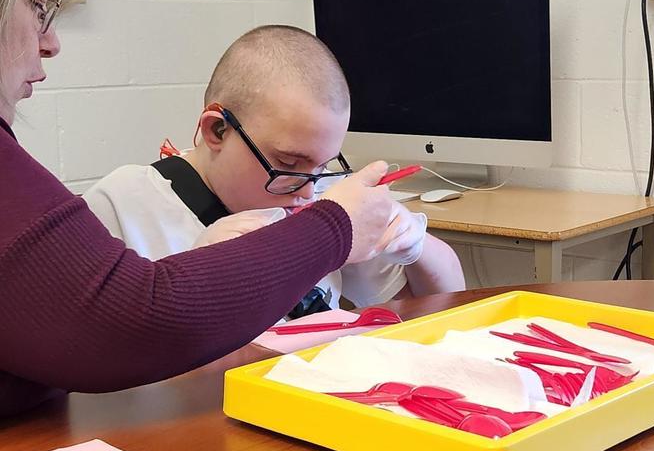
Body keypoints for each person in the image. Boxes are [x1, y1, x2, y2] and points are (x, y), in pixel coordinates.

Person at [0, 0, 394, 419]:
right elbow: (133, 323)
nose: (50, 40)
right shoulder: (128, 200)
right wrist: (337, 226)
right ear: (215, 129)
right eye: (38, 5)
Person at [84, 26, 465, 318]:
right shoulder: (120, 207)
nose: (306, 194)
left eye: (323, 164)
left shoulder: (319, 194)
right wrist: (196, 280)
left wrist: (415, 245)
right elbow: (97, 371)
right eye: (288, 163)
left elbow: (443, 305)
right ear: (217, 129)